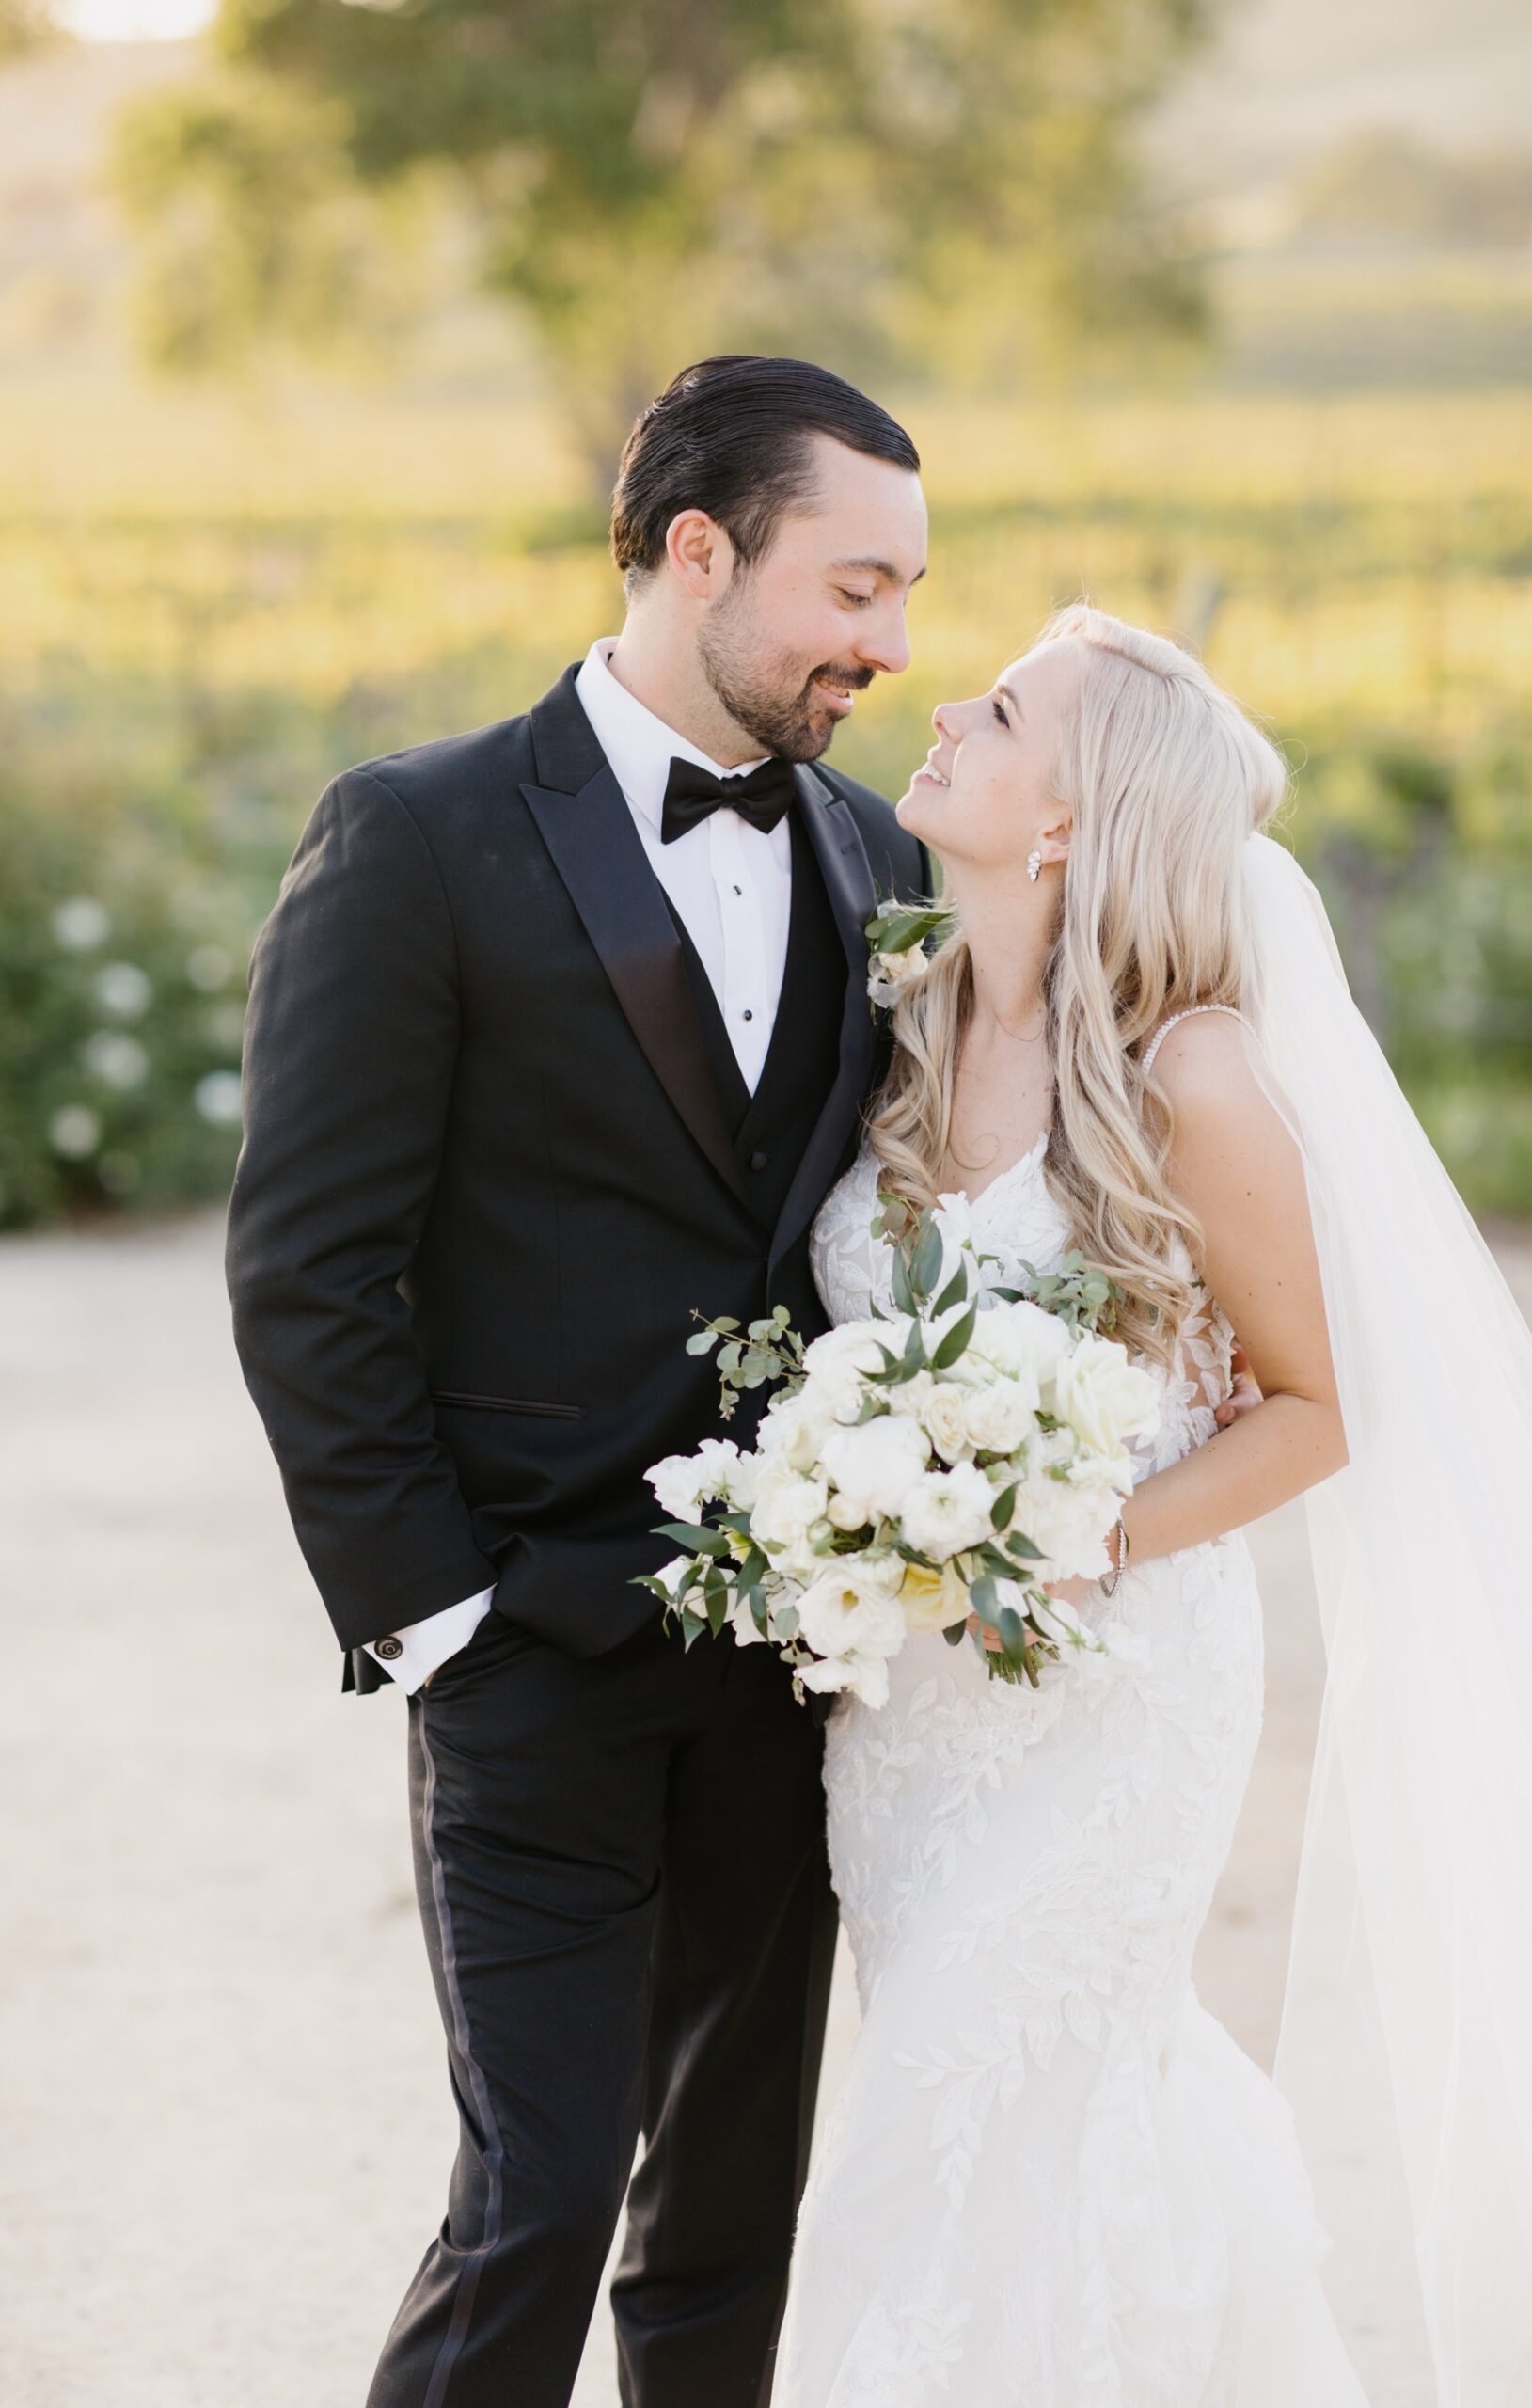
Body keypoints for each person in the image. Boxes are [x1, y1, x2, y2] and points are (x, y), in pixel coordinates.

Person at [776, 604, 1532, 2404]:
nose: (941, 715)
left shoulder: (1190, 1075)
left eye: (995, 714)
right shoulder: (902, 1012)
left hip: (1107, 1692)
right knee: (1029, 2128)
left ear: (1067, 819)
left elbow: (1318, 1412)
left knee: (951, 2125)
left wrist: (1081, 1534)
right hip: (906, 1707)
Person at [225, 355, 931, 2408]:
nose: (887, 645)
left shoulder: (878, 853)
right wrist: (431, 1609)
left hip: (789, 1661)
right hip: (521, 1630)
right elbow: (309, 1263)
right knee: (534, 2195)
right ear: (696, 549)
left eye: (903, 596)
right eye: (855, 587)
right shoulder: (417, 833)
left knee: (725, 2214)